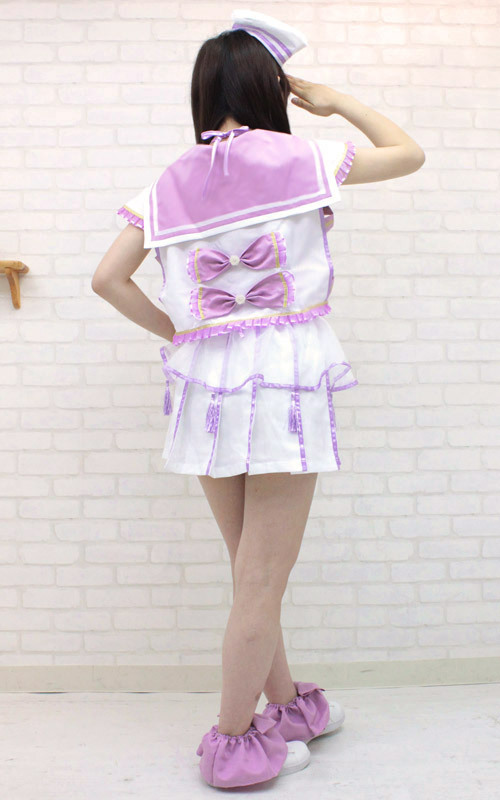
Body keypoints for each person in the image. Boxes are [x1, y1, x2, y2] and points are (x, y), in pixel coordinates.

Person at [91, 8, 425, 790]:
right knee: (262, 578)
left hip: (203, 385)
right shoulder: (299, 157)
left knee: (249, 569)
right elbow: (408, 154)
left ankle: (287, 706)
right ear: (272, 87)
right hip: (281, 376)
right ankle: (234, 740)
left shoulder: (170, 181)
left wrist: (181, 331)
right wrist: (334, 101)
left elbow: (107, 279)